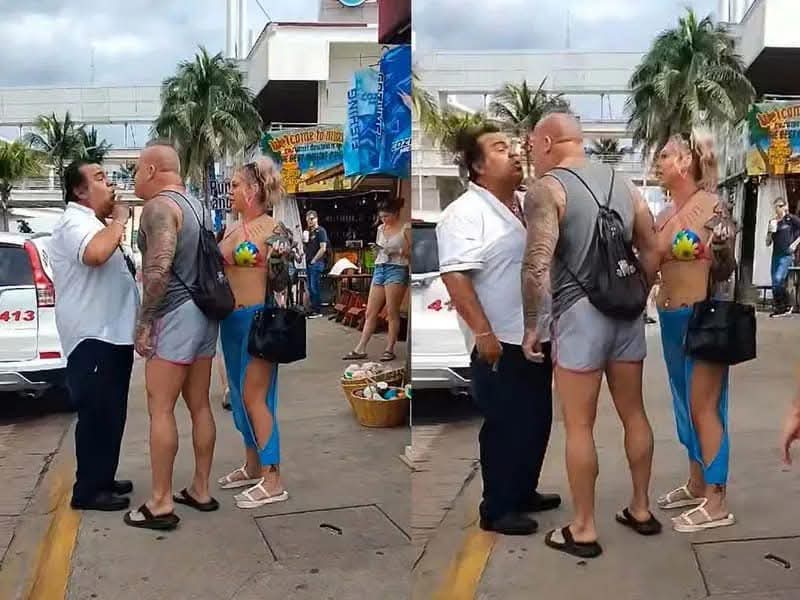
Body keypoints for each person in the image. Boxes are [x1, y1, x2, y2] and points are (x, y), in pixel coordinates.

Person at [523, 113, 661, 558]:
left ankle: (583, 528)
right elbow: (652, 248)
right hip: (625, 313)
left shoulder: (547, 189)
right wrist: (637, 294)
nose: (530, 154)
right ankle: (640, 508)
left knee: (580, 425)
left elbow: (537, 265)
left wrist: (533, 325)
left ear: (547, 142)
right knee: (634, 413)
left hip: (579, 316)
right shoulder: (626, 185)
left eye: (531, 145)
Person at [437, 123, 560, 536]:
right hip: (500, 341)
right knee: (505, 425)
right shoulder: (464, 213)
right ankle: (497, 507)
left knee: (537, 419)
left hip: (538, 335)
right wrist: (483, 333)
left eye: (513, 146)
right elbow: (456, 277)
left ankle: (523, 490)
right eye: (500, 148)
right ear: (477, 165)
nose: (513, 153)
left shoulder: (526, 204)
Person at [124, 141, 219, 531]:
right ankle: (200, 488)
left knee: (160, 407)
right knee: (200, 405)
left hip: (175, 314)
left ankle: (161, 502)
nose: (133, 177)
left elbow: (159, 268)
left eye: (135, 169)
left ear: (150, 170)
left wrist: (144, 322)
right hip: (204, 313)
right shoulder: (198, 206)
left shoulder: (158, 207)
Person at [652, 130, 737, 533]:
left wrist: (712, 251)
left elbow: (727, 266)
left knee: (705, 406)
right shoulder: (664, 213)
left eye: (664, 156)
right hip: (670, 317)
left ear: (685, 162)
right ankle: (697, 481)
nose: (658, 163)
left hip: (704, 317)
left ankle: (716, 501)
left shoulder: (712, 205)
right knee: (684, 403)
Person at [50, 160, 139, 512]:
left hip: (112, 335)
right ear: (79, 191)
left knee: (111, 413)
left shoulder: (93, 223)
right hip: (92, 336)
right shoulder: (74, 222)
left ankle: (103, 477)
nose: (110, 183)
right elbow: (95, 255)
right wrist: (119, 220)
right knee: (96, 416)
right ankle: (87, 490)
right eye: (100, 178)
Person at [216, 158, 290, 509]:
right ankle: (252, 465)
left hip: (259, 322)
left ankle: (273, 479)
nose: (230, 191)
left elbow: (284, 283)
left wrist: (277, 257)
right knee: (239, 395)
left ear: (254, 189)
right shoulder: (232, 228)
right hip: (230, 322)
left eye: (235, 185)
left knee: (255, 397)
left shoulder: (275, 229)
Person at [343, 197, 410, 362]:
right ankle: (360, 348)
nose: (384, 219)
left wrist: (396, 250)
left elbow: (411, 253)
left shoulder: (406, 228)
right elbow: (379, 250)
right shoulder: (381, 228)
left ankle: (390, 348)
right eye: (381, 217)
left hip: (397, 267)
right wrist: (377, 251)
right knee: (370, 311)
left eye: (387, 216)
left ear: (396, 213)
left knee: (392, 311)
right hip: (380, 267)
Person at [766, 198, 800, 317]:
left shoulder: (790, 219)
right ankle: (780, 307)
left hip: (786, 254)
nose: (779, 209)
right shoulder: (773, 221)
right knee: (775, 282)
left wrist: (794, 244)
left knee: (778, 278)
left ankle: (785, 306)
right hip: (776, 255)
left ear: (785, 207)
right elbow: (768, 243)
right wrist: (770, 232)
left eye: (781, 206)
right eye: (777, 206)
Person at [304, 210, 328, 318]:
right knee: (310, 287)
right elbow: (307, 247)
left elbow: (323, 248)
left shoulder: (321, 231)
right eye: (308, 219)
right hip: (309, 261)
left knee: (314, 287)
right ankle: (313, 308)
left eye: (312, 218)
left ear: (316, 219)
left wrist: (314, 260)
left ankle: (317, 310)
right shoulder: (308, 232)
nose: (310, 221)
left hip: (316, 262)